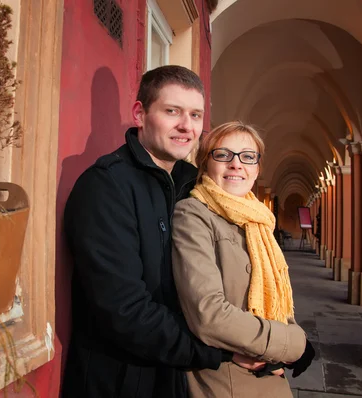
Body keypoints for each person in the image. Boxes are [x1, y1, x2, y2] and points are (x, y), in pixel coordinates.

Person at [62, 66, 250, 398]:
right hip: (120, 381)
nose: (186, 126)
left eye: (195, 115)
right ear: (140, 113)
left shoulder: (196, 185)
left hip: (180, 379)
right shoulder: (106, 186)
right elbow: (125, 311)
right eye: (172, 111)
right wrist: (221, 351)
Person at [172, 121, 315, 398]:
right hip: (226, 383)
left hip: (270, 374)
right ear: (205, 164)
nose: (236, 164)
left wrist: (285, 342)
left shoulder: (259, 221)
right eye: (223, 154)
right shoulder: (193, 215)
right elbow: (209, 314)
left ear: (257, 169)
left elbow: (279, 301)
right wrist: (294, 344)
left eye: (247, 156)